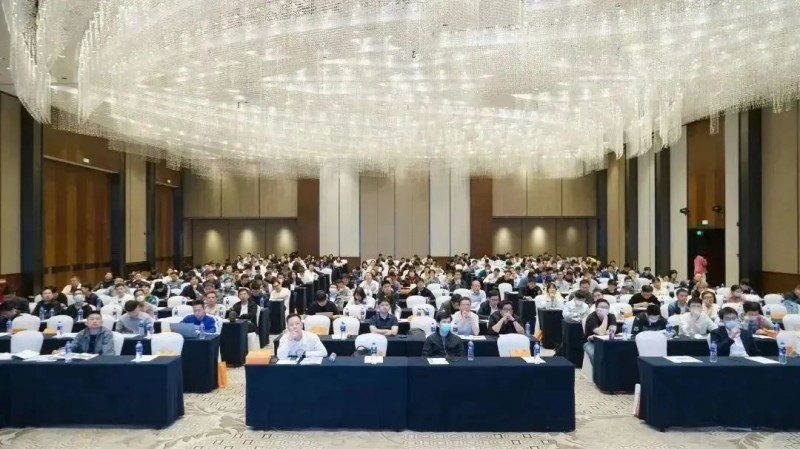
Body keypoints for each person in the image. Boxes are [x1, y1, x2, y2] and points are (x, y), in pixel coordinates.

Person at [583, 298, 617, 364]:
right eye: (601, 307)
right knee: (595, 354)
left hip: (607, 342)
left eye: (606, 308)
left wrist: (599, 335)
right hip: (591, 343)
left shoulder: (611, 316)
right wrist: (605, 318)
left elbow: (612, 332)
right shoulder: (591, 318)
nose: (604, 309)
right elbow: (601, 332)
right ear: (596, 308)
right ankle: (598, 370)